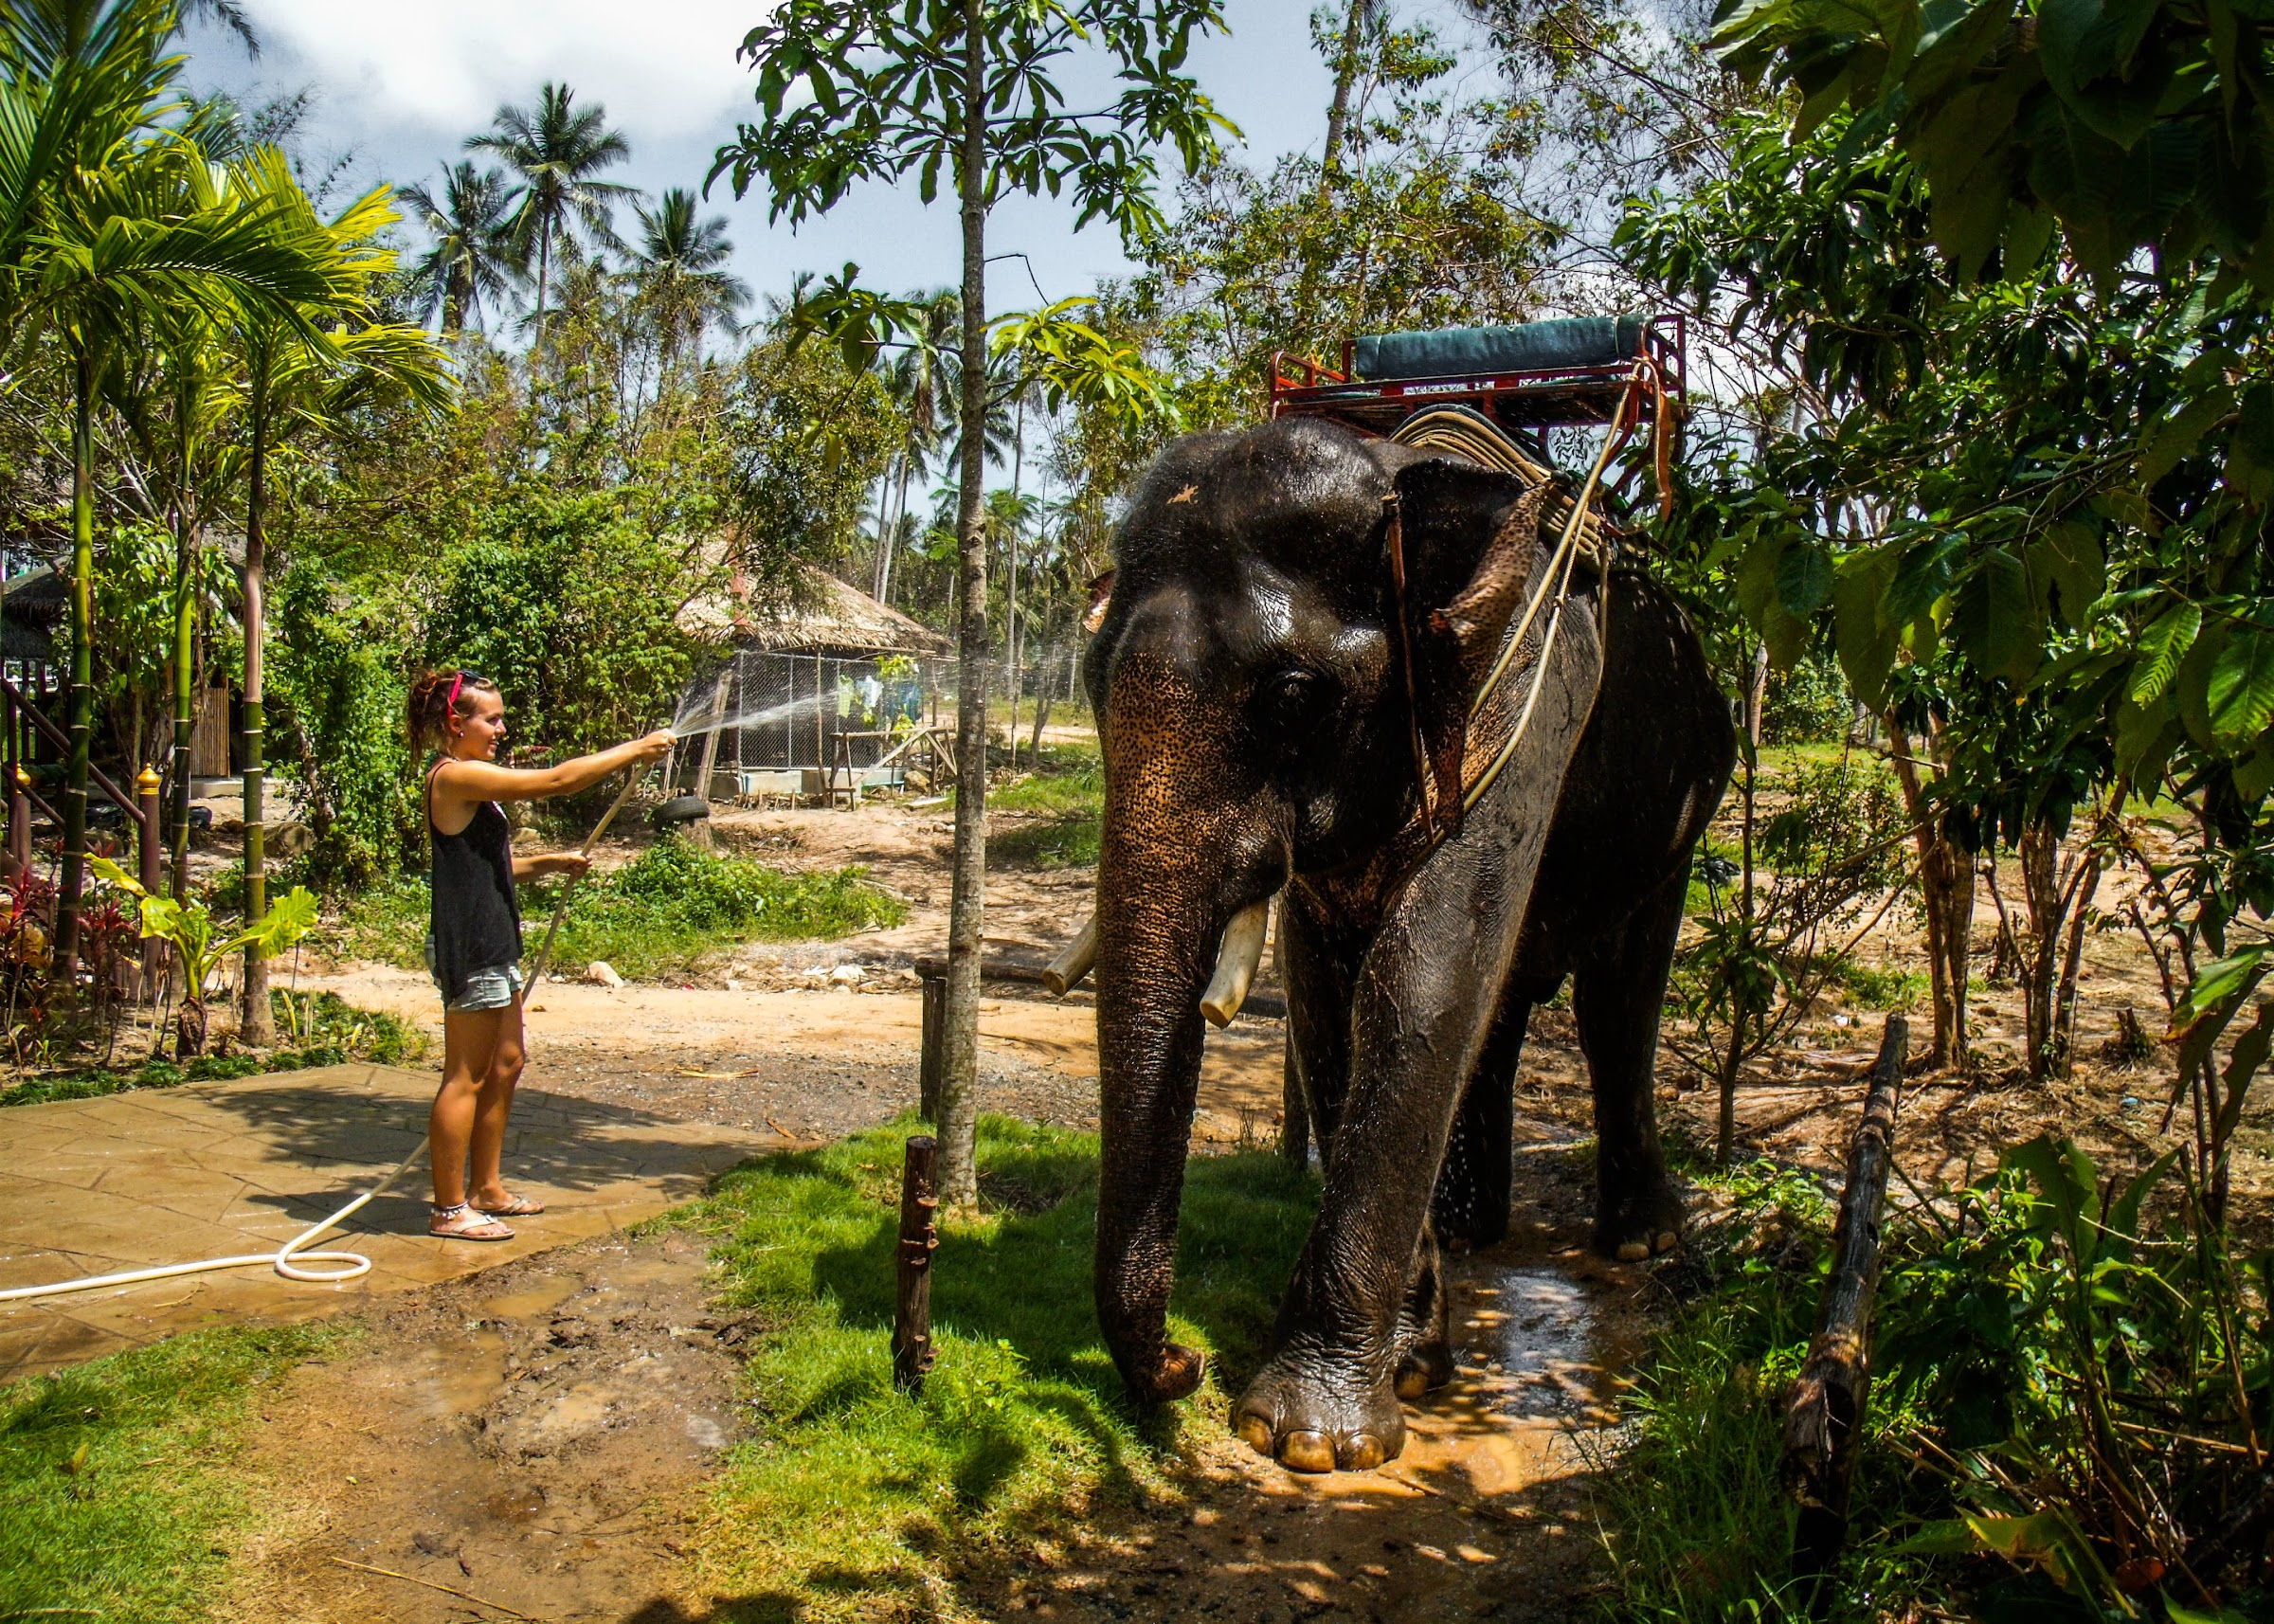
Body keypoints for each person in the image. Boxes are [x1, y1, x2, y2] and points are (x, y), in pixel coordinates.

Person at [406, 670, 673, 1241]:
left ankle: (486, 1188)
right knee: (466, 1076)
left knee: (506, 1063)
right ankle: (449, 1211)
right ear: (456, 723)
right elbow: (555, 781)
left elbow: (482, 866)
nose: (502, 729)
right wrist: (634, 749)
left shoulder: (470, 781)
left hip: (493, 938)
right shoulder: (455, 776)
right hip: (471, 943)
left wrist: (546, 864)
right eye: (492, 719)